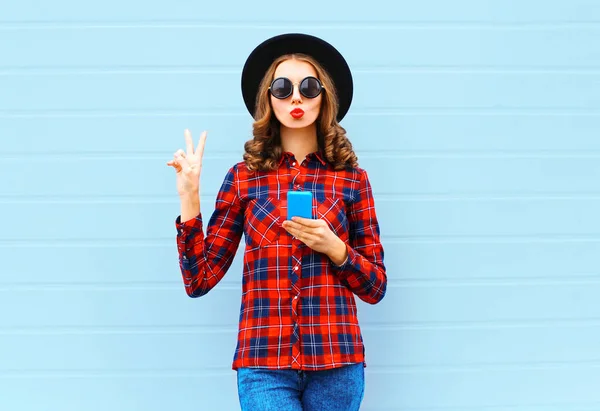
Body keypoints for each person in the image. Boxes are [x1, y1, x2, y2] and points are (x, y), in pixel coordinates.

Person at [167, 33, 387, 411]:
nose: (296, 97)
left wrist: (335, 247)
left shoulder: (353, 179)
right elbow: (199, 280)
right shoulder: (243, 178)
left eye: (309, 86)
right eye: (282, 88)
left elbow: (375, 287)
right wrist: (189, 195)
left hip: (337, 362)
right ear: (268, 99)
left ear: (324, 96)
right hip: (264, 362)